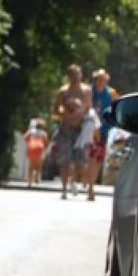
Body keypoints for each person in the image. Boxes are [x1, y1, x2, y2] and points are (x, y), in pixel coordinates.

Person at [53, 64, 93, 199]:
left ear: (81, 75)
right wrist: (65, 112)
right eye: (73, 74)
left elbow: (89, 108)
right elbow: (55, 110)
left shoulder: (86, 90)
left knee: (81, 161)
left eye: (78, 74)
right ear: (69, 76)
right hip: (65, 129)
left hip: (81, 129)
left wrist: (80, 111)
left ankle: (73, 181)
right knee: (64, 160)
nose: (76, 77)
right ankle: (64, 189)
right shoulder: (63, 91)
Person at [77, 107, 105, 200]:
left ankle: (90, 187)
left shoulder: (89, 114)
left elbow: (97, 130)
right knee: (93, 167)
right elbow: (97, 130)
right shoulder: (90, 114)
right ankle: (90, 188)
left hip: (92, 144)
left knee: (92, 166)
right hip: (94, 143)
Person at [91, 69, 119, 149]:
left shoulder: (112, 93)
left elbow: (116, 110)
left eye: (103, 79)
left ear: (106, 80)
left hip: (105, 129)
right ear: (95, 80)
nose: (100, 82)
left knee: (101, 154)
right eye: (98, 79)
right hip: (89, 129)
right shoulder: (88, 91)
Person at [23, 118, 49, 187]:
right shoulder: (44, 133)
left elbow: (25, 137)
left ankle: (29, 183)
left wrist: (29, 141)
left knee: (30, 166)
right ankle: (36, 177)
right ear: (43, 126)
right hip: (40, 148)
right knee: (38, 165)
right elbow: (46, 142)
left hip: (31, 147)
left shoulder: (31, 131)